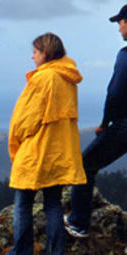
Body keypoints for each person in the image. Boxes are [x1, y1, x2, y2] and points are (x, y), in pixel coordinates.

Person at [8, 32, 87, 254]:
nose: (32, 57)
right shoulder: (68, 78)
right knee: (53, 204)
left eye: (35, 52)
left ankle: (21, 251)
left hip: (36, 152)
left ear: (46, 53)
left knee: (23, 204)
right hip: (59, 152)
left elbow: (24, 120)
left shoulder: (43, 78)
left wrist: (16, 143)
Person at [65, 4, 127, 239]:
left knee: (84, 166)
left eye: (121, 22)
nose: (119, 28)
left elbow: (116, 93)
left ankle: (78, 224)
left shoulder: (125, 56)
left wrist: (105, 123)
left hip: (123, 126)